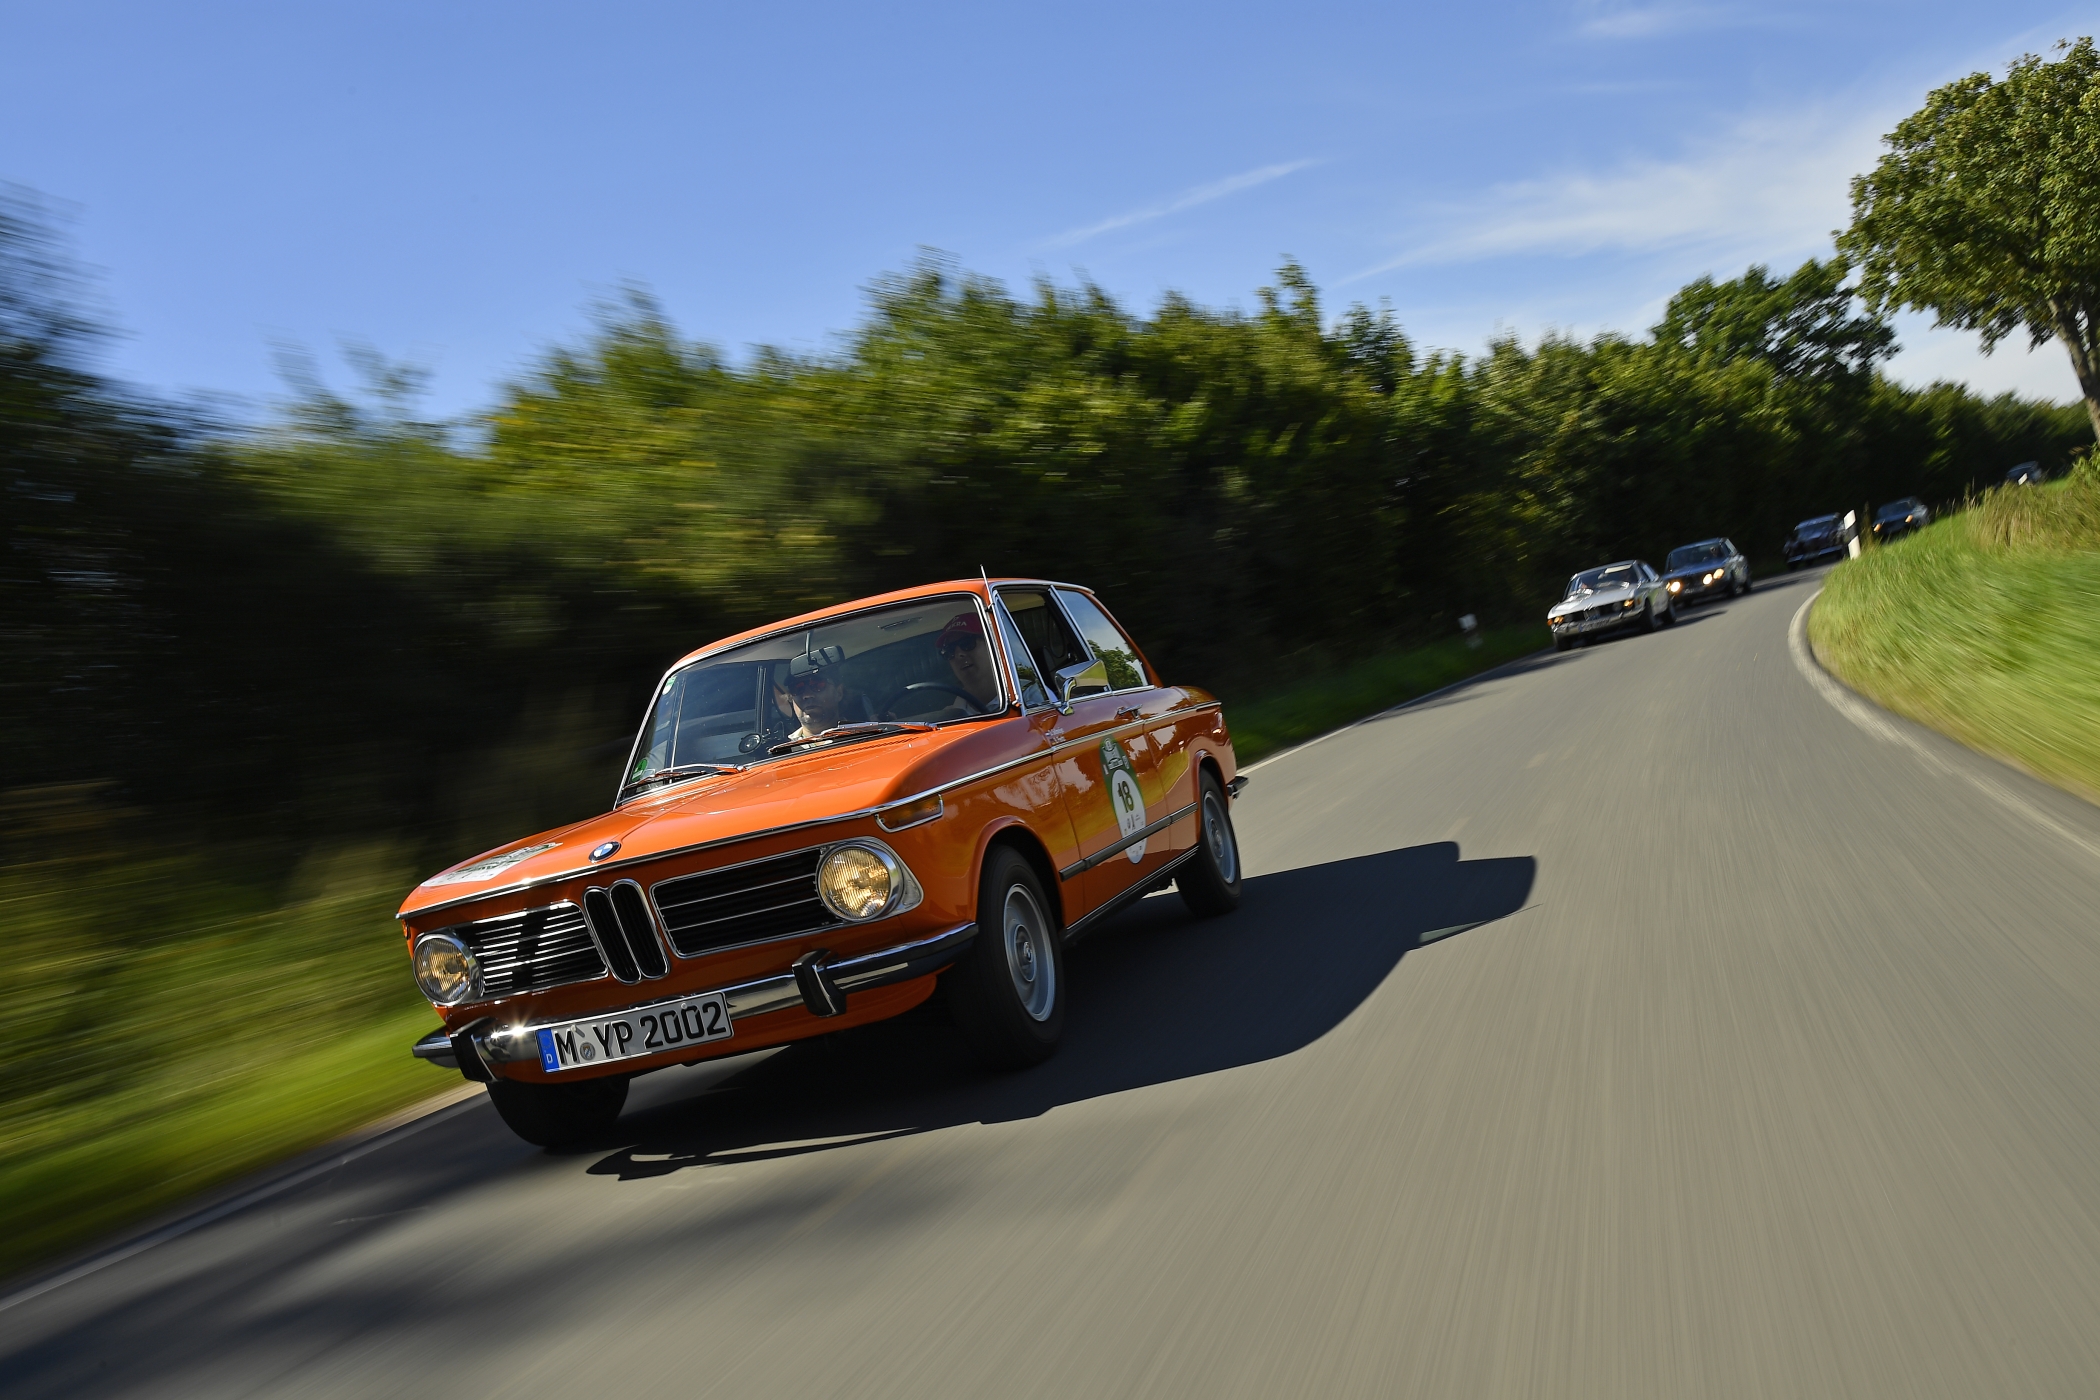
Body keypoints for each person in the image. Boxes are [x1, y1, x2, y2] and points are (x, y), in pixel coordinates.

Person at [772, 661, 870, 740]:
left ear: (839, 692)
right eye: (797, 688)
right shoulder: (781, 752)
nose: (807, 695)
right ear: (791, 697)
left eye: (817, 685)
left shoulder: (866, 738)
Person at [934, 611, 1001, 715]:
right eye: (950, 650)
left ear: (993, 645)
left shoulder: (1026, 700)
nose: (958, 654)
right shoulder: (947, 719)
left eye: (967, 643)